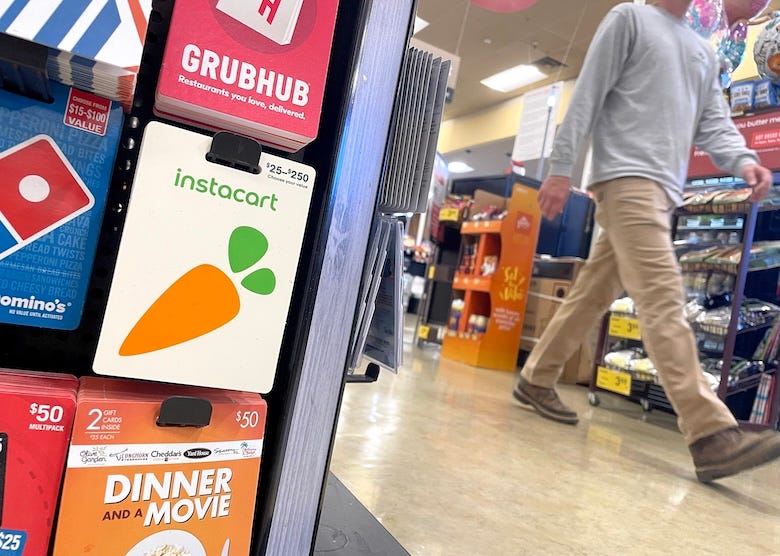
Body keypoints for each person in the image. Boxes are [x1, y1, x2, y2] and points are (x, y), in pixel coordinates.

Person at [513, 0, 780, 483]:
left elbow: (714, 123)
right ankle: (711, 434)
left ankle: (536, 378)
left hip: (662, 191)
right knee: (663, 300)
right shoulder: (628, 19)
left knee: (592, 292)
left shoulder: (702, 51)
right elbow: (588, 96)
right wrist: (558, 169)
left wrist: (743, 161)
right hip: (625, 178)